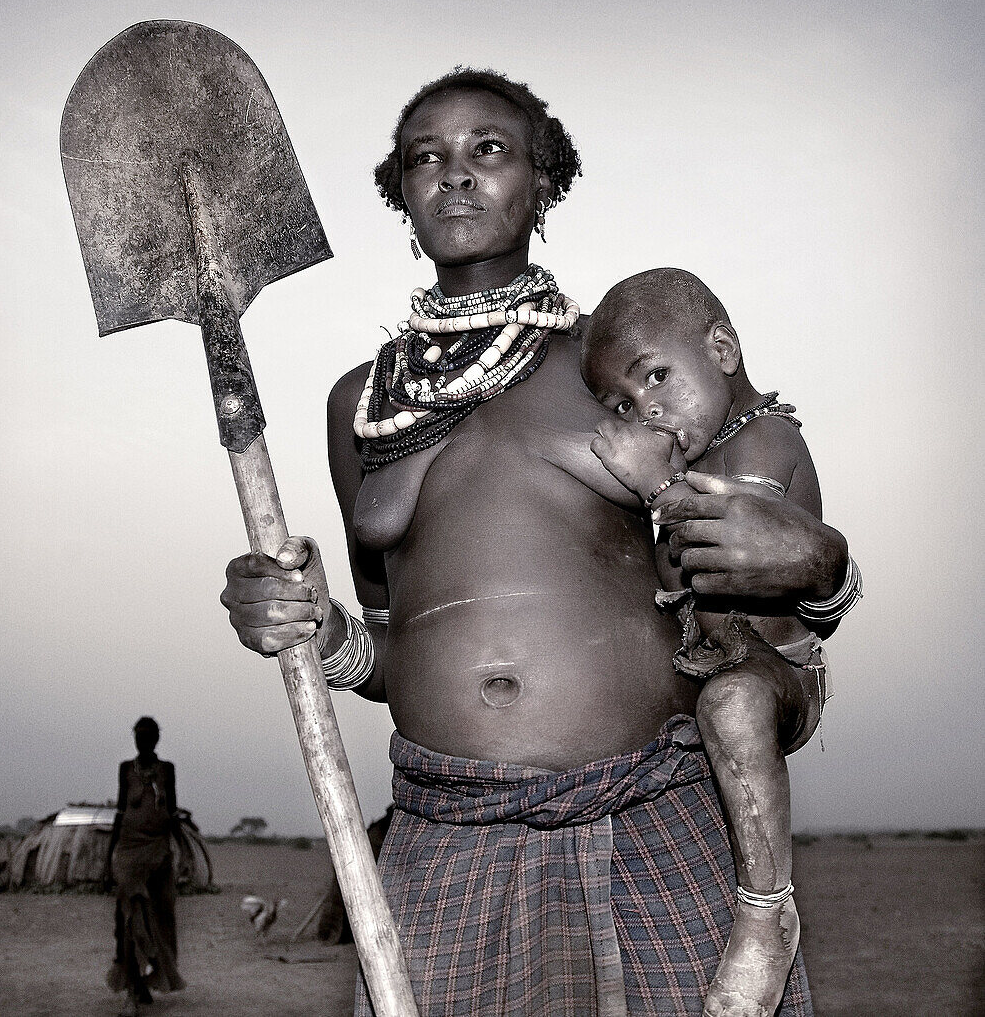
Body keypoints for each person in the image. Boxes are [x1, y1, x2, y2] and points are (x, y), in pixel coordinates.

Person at [220, 68, 858, 1016]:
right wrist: (312, 624)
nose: (457, 175)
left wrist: (824, 567)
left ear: (542, 185)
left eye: (490, 150)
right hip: (445, 828)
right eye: (425, 158)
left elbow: (762, 522)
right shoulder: (360, 404)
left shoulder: (613, 360)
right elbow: (394, 646)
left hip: (650, 809)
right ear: (401, 195)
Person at [583, 267, 860, 1017]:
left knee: (734, 707)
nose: (649, 411)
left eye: (658, 379)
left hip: (779, 674)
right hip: (717, 665)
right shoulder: (706, 451)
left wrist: (653, 483)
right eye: (624, 405)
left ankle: (767, 913)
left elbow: (726, 542)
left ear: (724, 349)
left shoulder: (767, 439)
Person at [105, 716, 186, 1016]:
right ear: (134, 739)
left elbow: (173, 810)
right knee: (129, 917)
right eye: (139, 736)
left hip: (159, 851)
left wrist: (184, 851)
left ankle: (146, 981)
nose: (144, 741)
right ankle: (130, 991)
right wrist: (107, 859)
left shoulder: (168, 770)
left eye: (149, 735)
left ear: (157, 739)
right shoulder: (126, 769)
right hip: (128, 851)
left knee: (159, 920)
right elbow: (119, 810)